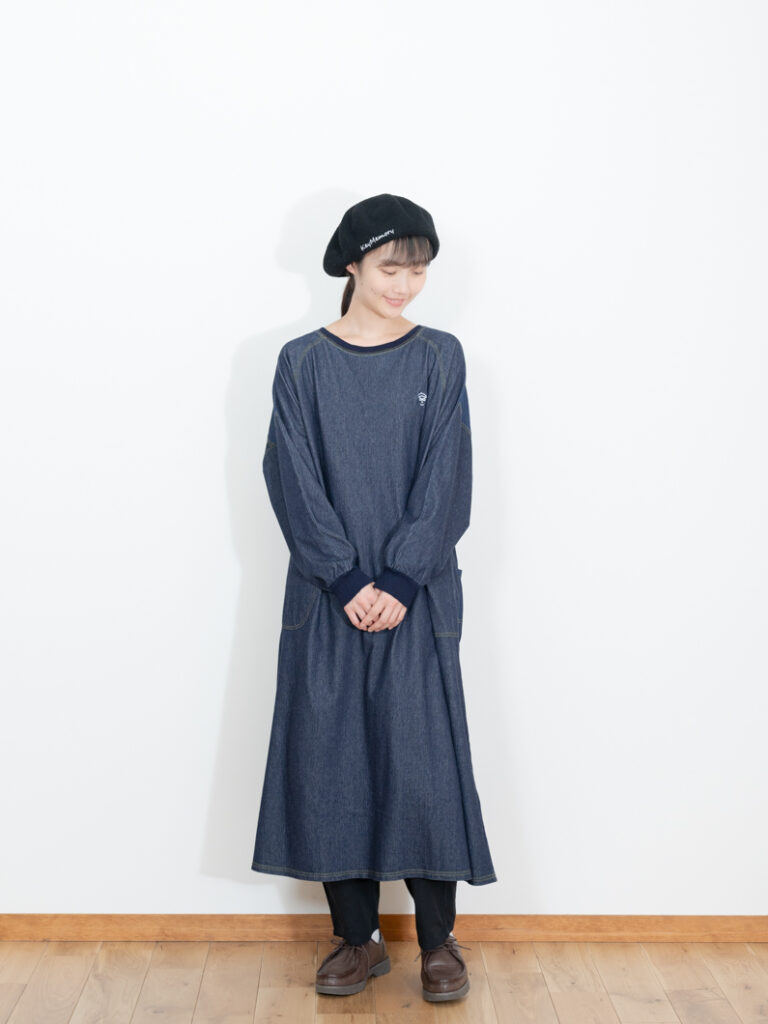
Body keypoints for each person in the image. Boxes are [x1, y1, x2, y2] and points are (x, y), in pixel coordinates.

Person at [251, 193, 496, 1003]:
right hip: (328, 597)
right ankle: (355, 940)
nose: (405, 284)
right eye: (392, 267)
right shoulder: (302, 363)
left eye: (418, 270)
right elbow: (291, 477)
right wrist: (348, 579)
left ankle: (438, 942)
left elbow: (447, 477)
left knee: (422, 761)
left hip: (417, 597)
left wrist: (398, 579)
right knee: (332, 757)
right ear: (352, 264)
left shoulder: (439, 358)